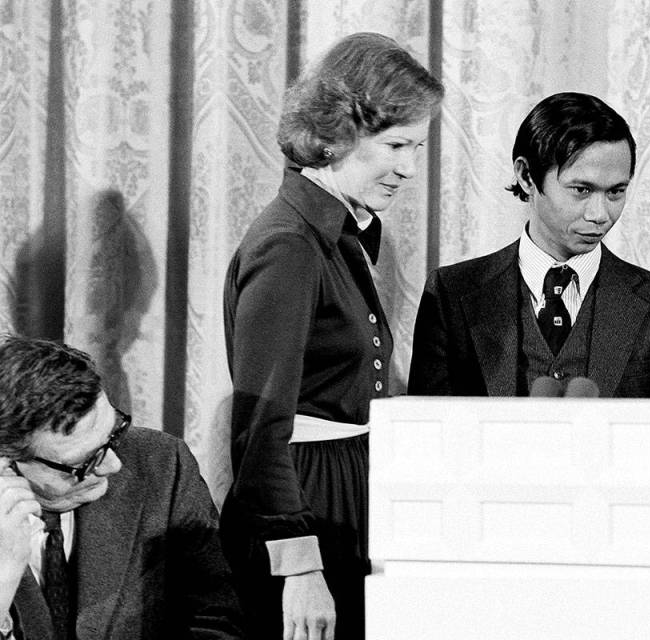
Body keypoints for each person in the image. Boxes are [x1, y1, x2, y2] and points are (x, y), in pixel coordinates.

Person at [220, 32, 444, 640]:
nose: (408, 168)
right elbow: (260, 422)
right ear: (336, 135)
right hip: (305, 497)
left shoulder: (333, 233)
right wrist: (299, 567)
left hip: (346, 482)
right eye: (396, 145)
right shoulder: (289, 245)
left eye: (416, 147)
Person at [408, 92, 650, 399]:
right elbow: (428, 437)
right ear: (526, 176)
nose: (600, 215)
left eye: (616, 192)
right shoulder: (450, 294)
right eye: (581, 190)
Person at [0, 335, 243, 640]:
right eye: (86, 462)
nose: (113, 465)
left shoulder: (162, 464)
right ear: (8, 462)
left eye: (114, 433)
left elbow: (217, 620)